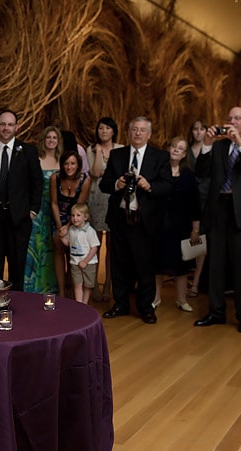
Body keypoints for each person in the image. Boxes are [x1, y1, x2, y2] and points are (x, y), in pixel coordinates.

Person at [194, 106, 241, 334]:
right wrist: (206, 143)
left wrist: (240, 144)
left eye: (237, 118)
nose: (232, 121)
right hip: (219, 211)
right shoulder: (218, 146)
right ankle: (216, 312)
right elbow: (201, 171)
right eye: (229, 118)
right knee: (215, 265)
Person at [100, 116, 172, 324]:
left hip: (145, 220)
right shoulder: (117, 155)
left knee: (144, 266)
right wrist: (117, 183)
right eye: (134, 129)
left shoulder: (160, 157)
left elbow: (167, 185)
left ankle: (145, 307)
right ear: (128, 132)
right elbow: (105, 184)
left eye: (142, 130)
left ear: (149, 134)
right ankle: (120, 304)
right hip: (120, 218)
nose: (138, 133)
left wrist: (150, 186)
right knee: (119, 264)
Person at [0, 110, 43, 291]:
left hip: (19, 218)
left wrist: (32, 210)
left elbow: (37, 183)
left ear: (16, 127)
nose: (6, 128)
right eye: (3, 124)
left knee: (17, 265)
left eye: (10, 124)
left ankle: (17, 306)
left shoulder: (28, 151)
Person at [154, 136, 201, 312]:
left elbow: (195, 203)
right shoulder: (159, 171)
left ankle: (181, 300)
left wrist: (195, 228)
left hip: (181, 226)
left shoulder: (188, 175)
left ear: (184, 154)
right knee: (157, 263)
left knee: (182, 265)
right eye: (173, 146)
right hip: (159, 224)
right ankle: (156, 298)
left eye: (180, 148)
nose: (175, 150)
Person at [86, 117, 122, 302]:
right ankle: (94, 286)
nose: (104, 131)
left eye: (108, 128)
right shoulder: (91, 149)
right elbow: (96, 172)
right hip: (97, 198)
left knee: (112, 246)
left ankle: (109, 283)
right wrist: (99, 152)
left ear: (114, 131)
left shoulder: (121, 149)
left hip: (115, 198)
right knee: (96, 244)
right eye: (101, 128)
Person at [24, 126, 61, 293]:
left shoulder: (62, 160)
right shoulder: (36, 159)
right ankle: (31, 286)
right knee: (34, 245)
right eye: (48, 138)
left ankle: (50, 287)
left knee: (51, 248)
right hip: (38, 209)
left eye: (54, 138)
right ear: (43, 140)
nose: (51, 140)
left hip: (56, 210)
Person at [50, 150, 91, 297]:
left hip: (76, 218)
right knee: (58, 248)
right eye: (66, 163)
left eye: (73, 163)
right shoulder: (55, 178)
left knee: (75, 252)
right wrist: (60, 227)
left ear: (78, 165)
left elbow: (80, 206)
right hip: (58, 218)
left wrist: (68, 226)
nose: (69, 167)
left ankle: (75, 293)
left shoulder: (85, 180)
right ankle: (61, 291)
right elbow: (54, 203)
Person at [61, 203, 100, 304]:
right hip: (75, 262)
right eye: (73, 215)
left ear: (85, 217)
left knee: (88, 285)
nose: (75, 218)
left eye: (78, 215)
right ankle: (79, 304)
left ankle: (85, 303)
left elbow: (94, 248)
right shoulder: (71, 230)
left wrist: (85, 261)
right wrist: (62, 237)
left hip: (88, 263)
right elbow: (68, 244)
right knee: (77, 284)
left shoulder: (90, 231)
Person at [187, 119, 208, 298]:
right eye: (195, 128)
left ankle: (196, 282)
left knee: (200, 239)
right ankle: (184, 276)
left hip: (205, 198)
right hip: (185, 197)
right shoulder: (185, 150)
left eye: (202, 129)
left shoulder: (212, 150)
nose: (198, 132)